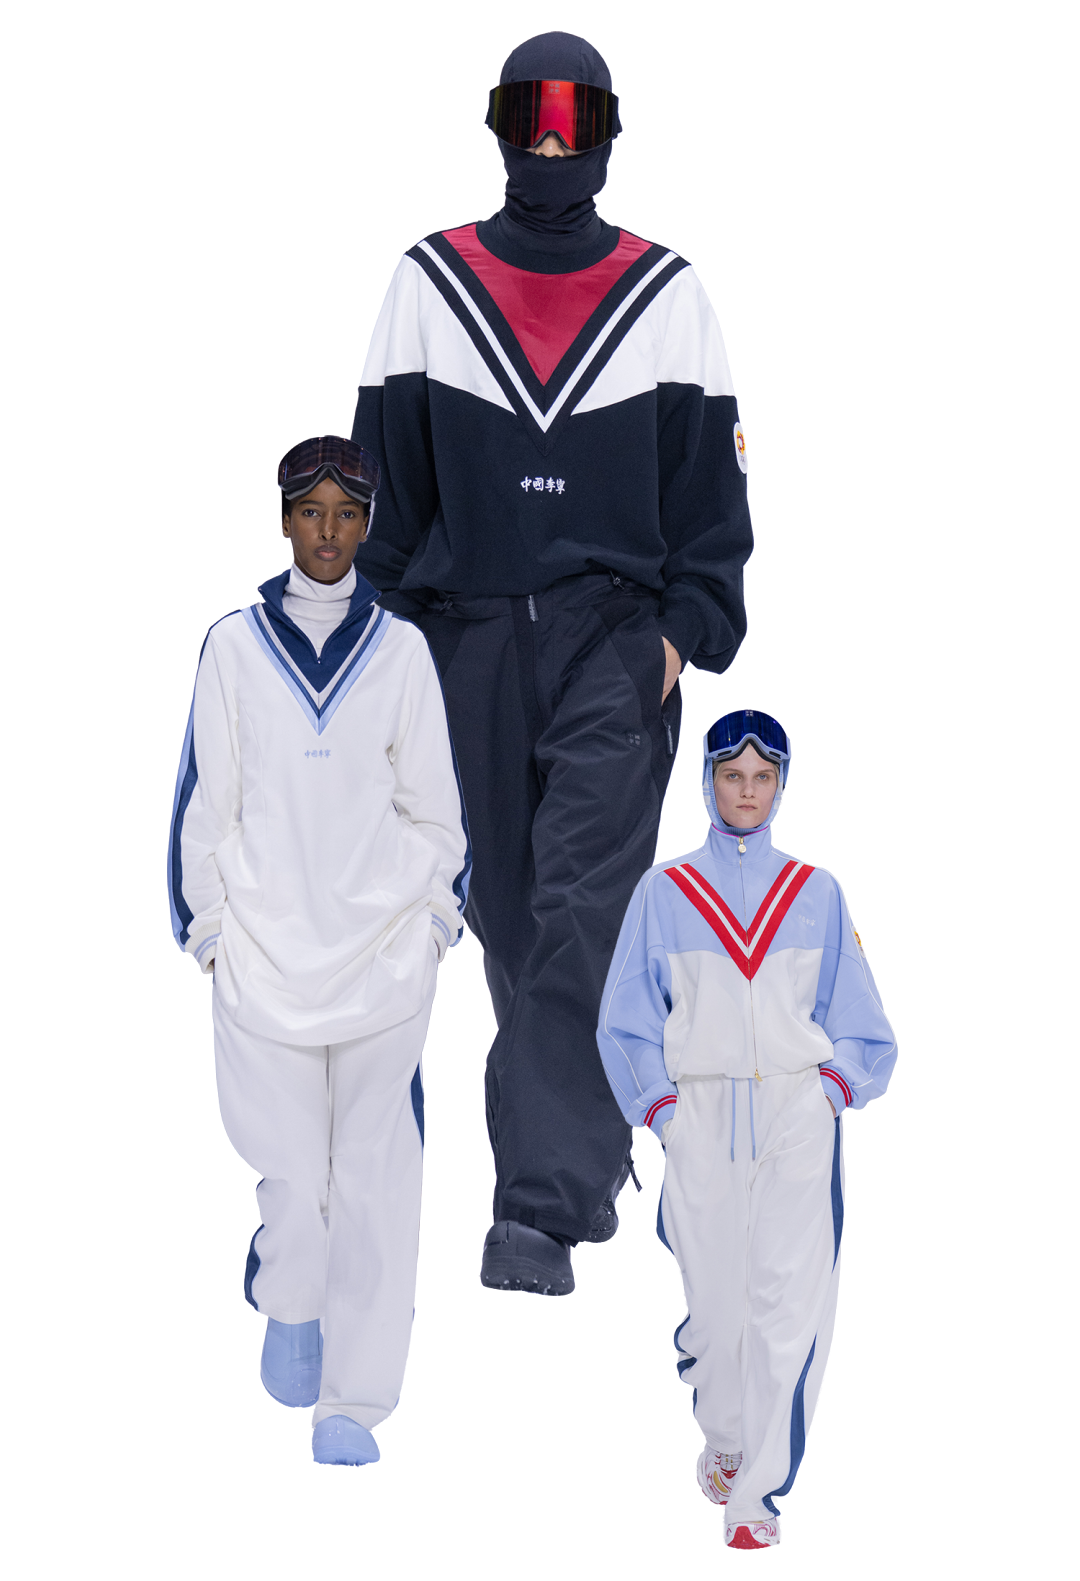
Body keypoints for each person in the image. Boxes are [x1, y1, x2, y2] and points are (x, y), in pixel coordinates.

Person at [351, 31, 753, 1295]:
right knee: (517, 923)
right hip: (460, 649)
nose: (553, 140)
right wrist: (378, 666)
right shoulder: (430, 287)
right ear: (497, 124)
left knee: (586, 905)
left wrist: (671, 644)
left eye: (578, 118)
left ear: (611, 135)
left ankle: (536, 1208)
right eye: (532, 113)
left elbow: (713, 520)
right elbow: (384, 510)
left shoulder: (667, 297)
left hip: (611, 644)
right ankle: (598, 1133)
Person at [167, 436, 470, 1465]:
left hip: (383, 959)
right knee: (297, 1179)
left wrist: (432, 925)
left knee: (376, 1184)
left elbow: (437, 811)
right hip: (262, 960)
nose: (329, 532)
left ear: (368, 523)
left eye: (347, 513)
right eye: (312, 512)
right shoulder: (233, 648)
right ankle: (290, 1290)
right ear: (285, 518)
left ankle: (355, 1401)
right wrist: (211, 934)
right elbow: (203, 804)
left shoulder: (401, 652)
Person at [596, 710, 896, 1548]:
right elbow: (623, 1020)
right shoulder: (664, 893)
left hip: (798, 1113)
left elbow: (865, 1026)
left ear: (781, 785)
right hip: (700, 1113)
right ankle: (725, 1431)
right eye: (734, 776)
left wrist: (831, 1090)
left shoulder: (816, 892)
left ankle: (757, 1496)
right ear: (708, 782)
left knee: (786, 1308)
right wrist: (662, 1108)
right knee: (716, 1308)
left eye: (764, 777)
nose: (748, 792)